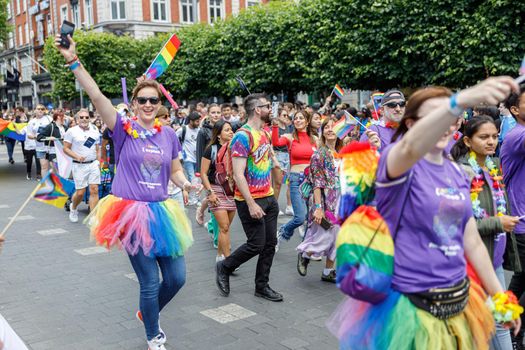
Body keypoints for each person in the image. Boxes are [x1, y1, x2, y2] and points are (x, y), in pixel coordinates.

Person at [328, 77, 521, 350]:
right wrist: (459, 101)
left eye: (449, 117)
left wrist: (500, 297)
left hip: (458, 302)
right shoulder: (397, 160)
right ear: (411, 124)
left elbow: (471, 240)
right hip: (412, 309)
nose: (446, 122)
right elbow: (409, 147)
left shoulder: (456, 170)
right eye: (435, 116)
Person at [55, 34, 194, 350]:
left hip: (163, 211)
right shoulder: (122, 129)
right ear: (134, 104)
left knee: (177, 279)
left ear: (159, 105)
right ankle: (154, 335)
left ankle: (147, 314)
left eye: (153, 101)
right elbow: (95, 94)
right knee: (148, 282)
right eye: (142, 100)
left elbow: (174, 171)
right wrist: (72, 60)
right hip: (130, 213)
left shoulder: (169, 134)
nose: (147, 105)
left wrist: (187, 184)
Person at [451, 115, 521, 349]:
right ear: (468, 141)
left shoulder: (493, 167)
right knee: (473, 326)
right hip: (469, 264)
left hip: (495, 261)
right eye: (484, 137)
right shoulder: (462, 172)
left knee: (499, 320)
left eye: (494, 136)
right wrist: (497, 224)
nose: (491, 141)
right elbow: (459, 225)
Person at [215, 93, 282, 302]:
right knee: (256, 244)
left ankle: (262, 286)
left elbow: (267, 151)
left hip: (269, 197)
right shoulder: (242, 136)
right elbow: (237, 174)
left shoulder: (264, 133)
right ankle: (225, 266)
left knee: (270, 244)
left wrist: (275, 162)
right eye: (267, 106)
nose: (270, 109)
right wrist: (251, 203)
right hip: (249, 200)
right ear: (257, 110)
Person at [297, 117, 343, 283]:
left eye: (334, 127)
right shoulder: (319, 155)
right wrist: (318, 207)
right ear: (323, 132)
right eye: (327, 127)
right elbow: (317, 183)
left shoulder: (343, 152)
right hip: (325, 200)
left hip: (342, 200)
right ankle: (305, 254)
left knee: (338, 237)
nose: (330, 129)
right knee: (324, 235)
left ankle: (328, 271)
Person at [500, 89, 525, 347]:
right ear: (515, 110)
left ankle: (503, 324)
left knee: (520, 280)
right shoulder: (517, 135)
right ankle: (513, 331)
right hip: (521, 222)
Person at [272, 109, 317, 248]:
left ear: (307, 121)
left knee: (312, 216)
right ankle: (282, 231)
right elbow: (276, 143)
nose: (298, 120)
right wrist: (274, 126)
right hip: (296, 179)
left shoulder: (315, 139)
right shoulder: (289, 137)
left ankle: (307, 244)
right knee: (300, 217)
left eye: (301, 118)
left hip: (311, 181)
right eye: (296, 118)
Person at [200, 120, 236, 262]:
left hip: (231, 191)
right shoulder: (212, 149)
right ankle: (228, 260)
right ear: (219, 134)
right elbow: (203, 173)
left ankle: (220, 256)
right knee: (224, 226)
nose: (231, 132)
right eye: (227, 130)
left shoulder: (236, 148)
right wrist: (210, 193)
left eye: (231, 130)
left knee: (225, 228)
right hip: (215, 189)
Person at [63, 109, 101, 223]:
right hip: (79, 165)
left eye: (86, 117)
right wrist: (76, 156)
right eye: (82, 117)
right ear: (77, 119)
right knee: (80, 192)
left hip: (93, 163)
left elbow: (97, 147)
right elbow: (65, 148)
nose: (84, 119)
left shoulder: (95, 129)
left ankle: (93, 216)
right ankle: (73, 208)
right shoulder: (71, 131)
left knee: (94, 190)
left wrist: (98, 161)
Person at [271, 108, 293, 216]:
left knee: (290, 182)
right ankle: (275, 207)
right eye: (284, 115)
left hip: (288, 156)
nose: (286, 117)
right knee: (278, 183)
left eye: (287, 115)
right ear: (278, 116)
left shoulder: (289, 128)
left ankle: (289, 206)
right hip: (278, 156)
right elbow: (273, 143)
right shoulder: (275, 128)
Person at [176, 111, 201, 184]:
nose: (198, 123)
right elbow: (174, 139)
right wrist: (179, 153)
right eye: (197, 121)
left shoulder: (199, 130)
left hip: (197, 159)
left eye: (199, 121)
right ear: (191, 121)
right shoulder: (183, 130)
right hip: (187, 158)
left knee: (196, 178)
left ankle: (191, 192)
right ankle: (192, 193)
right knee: (192, 177)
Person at [31, 104, 52, 176]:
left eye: (42, 109)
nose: (40, 110)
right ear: (35, 110)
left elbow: (55, 129)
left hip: (52, 147)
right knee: (44, 167)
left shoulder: (49, 118)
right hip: (40, 148)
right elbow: (29, 135)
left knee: (54, 167)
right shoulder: (31, 122)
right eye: (38, 109)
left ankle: (57, 184)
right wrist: (36, 137)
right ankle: (46, 184)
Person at [23, 114, 41, 180]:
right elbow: (19, 133)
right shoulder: (25, 127)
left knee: (38, 161)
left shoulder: (38, 128)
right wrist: (15, 126)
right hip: (28, 147)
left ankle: (38, 174)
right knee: (29, 162)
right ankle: (28, 173)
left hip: (37, 147)